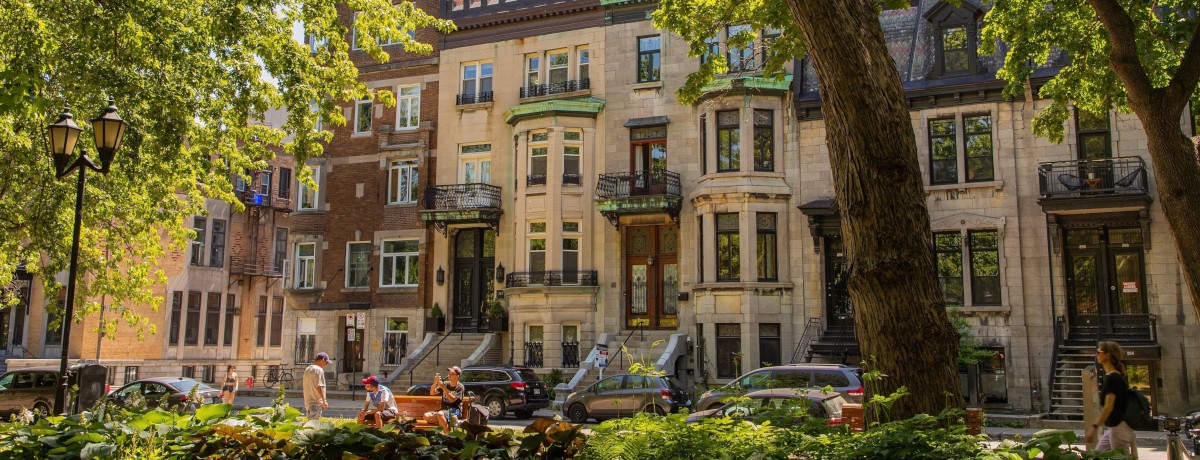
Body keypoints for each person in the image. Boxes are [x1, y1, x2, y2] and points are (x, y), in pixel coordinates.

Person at [1085, 341, 1137, 455]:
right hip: (1113, 428)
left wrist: (1094, 427)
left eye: (1098, 352)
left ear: (1107, 355)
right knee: (1097, 455)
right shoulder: (1113, 376)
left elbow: (1108, 407)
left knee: (1121, 457)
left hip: (1119, 427)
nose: (1096, 355)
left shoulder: (1113, 378)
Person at [424, 366, 465, 434]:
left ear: (457, 376)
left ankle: (447, 434)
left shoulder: (460, 387)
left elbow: (452, 399)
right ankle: (444, 420)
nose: (449, 375)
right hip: (443, 410)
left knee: (440, 414)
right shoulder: (445, 384)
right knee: (426, 416)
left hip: (454, 410)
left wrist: (443, 388)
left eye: (452, 374)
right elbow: (432, 393)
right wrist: (435, 382)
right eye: (449, 373)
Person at [303, 352, 330, 420]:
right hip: (316, 403)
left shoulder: (308, 369)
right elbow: (319, 386)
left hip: (308, 403)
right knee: (314, 424)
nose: (326, 365)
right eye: (326, 362)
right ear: (322, 360)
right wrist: (324, 400)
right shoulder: (319, 370)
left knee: (310, 423)